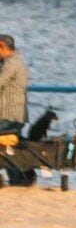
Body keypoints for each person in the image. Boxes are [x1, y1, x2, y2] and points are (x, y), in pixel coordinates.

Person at [0, 32, 27, 187]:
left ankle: (16, 176)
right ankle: (16, 177)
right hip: (13, 115)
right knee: (8, 146)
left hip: (10, 116)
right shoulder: (12, 62)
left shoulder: (11, 64)